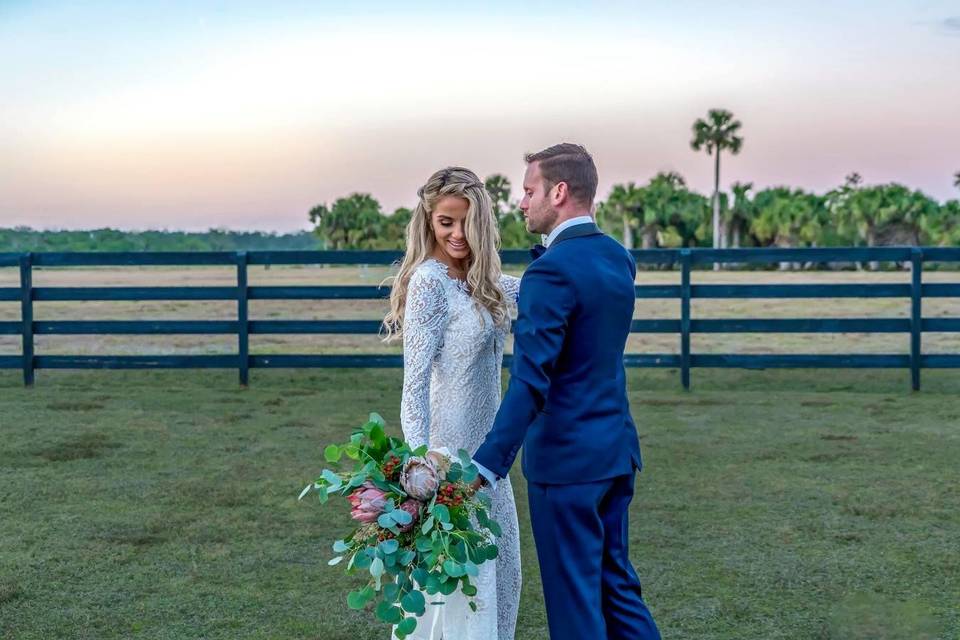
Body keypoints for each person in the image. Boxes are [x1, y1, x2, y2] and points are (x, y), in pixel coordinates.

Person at [472, 143, 661, 639]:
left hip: (568, 467)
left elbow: (532, 382)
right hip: (615, 453)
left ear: (558, 192)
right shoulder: (618, 257)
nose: (521, 201)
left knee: (577, 607)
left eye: (528, 190)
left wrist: (486, 464)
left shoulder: (550, 271)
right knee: (617, 591)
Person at [383, 167, 521, 640]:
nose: (456, 234)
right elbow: (415, 382)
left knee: (505, 583)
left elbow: (548, 288)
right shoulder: (429, 283)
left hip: (492, 463)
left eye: (465, 222)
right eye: (446, 222)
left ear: (482, 221)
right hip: (448, 463)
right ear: (429, 222)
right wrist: (419, 464)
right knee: (456, 598)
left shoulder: (495, 282)